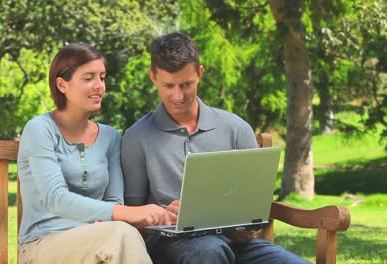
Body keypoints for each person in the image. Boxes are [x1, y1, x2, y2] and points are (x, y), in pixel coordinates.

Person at [121, 32, 311, 264]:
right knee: (208, 251)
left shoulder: (236, 128)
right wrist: (162, 216)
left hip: (235, 242)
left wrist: (244, 225)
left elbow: (253, 206)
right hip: (171, 245)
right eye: (168, 85)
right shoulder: (136, 137)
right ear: (153, 77)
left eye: (186, 84)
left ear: (200, 73)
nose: (178, 95)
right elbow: (132, 214)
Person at [17, 42, 175, 264]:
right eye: (88, 78)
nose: (99, 85)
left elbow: (113, 200)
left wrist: (149, 214)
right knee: (121, 233)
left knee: (119, 234)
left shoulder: (110, 137)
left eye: (102, 77)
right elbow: (56, 199)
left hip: (98, 242)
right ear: (62, 85)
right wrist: (130, 213)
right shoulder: (40, 129)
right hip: (42, 244)